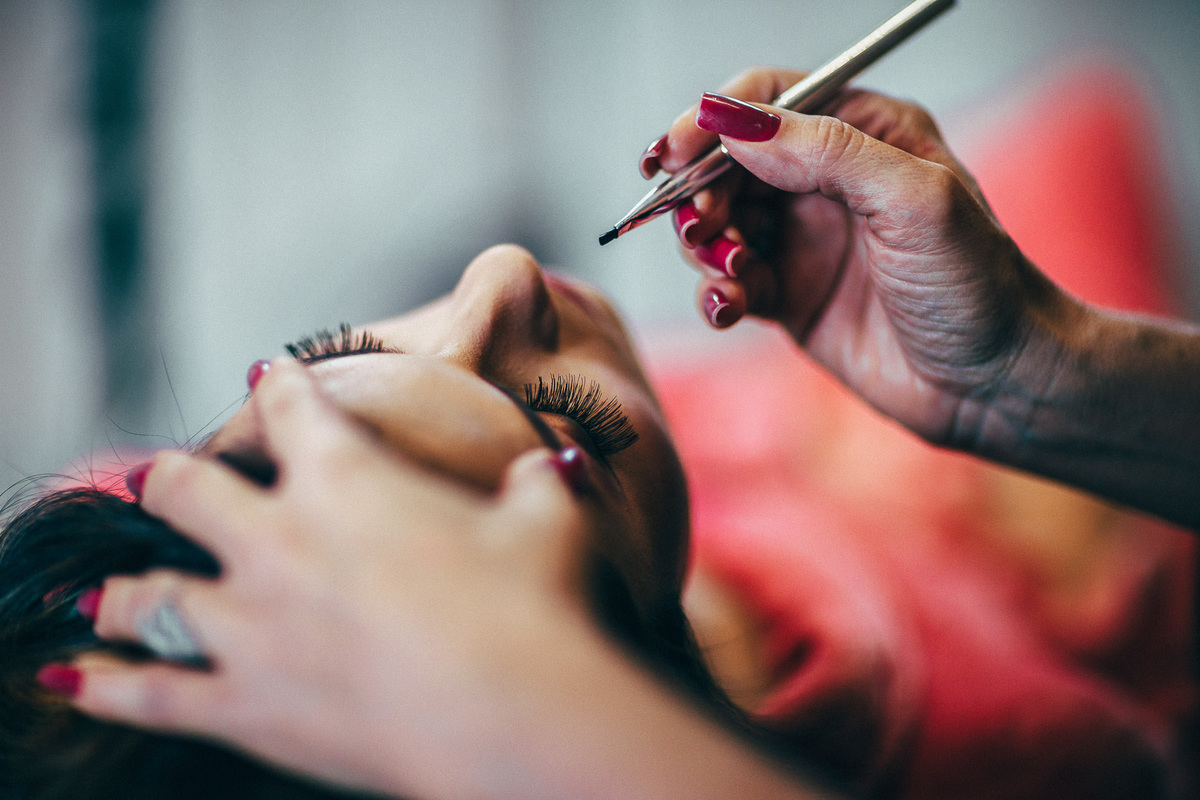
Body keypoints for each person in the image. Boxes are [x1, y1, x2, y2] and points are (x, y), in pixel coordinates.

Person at [13, 65, 1200, 797]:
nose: (503, 270)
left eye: (337, 352)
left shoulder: (157, 589)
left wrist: (1033, 366)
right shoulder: (1035, 754)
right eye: (559, 422)